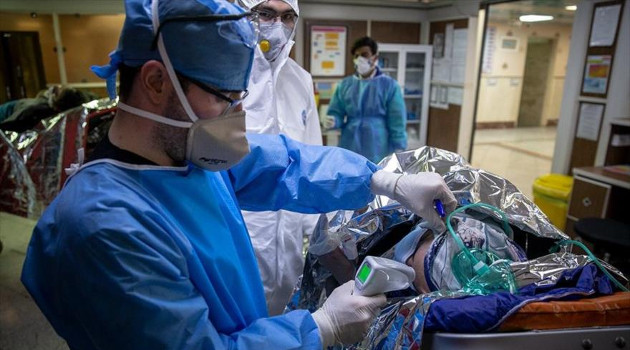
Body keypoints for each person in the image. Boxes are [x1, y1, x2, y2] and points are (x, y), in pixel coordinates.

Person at [20, 0, 456, 349]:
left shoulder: (189, 156)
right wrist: (318, 330)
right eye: (225, 96)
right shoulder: (105, 227)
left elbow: (284, 162)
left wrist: (383, 180)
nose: (239, 114)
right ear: (156, 83)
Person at [237, 0, 323, 316]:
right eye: (266, 13)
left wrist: (319, 240)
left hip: (288, 240)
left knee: (282, 323)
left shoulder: (301, 81)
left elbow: (313, 161)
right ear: (246, 13)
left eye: (287, 16)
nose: (278, 25)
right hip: (239, 234)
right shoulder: (225, 78)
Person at [324, 36, 407, 164]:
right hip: (349, 142)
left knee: (375, 179)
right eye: (356, 56)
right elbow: (336, 112)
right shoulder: (345, 85)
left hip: (377, 145)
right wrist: (333, 121)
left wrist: (399, 146)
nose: (360, 59)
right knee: (349, 176)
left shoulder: (389, 86)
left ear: (375, 58)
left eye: (364, 54)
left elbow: (397, 120)